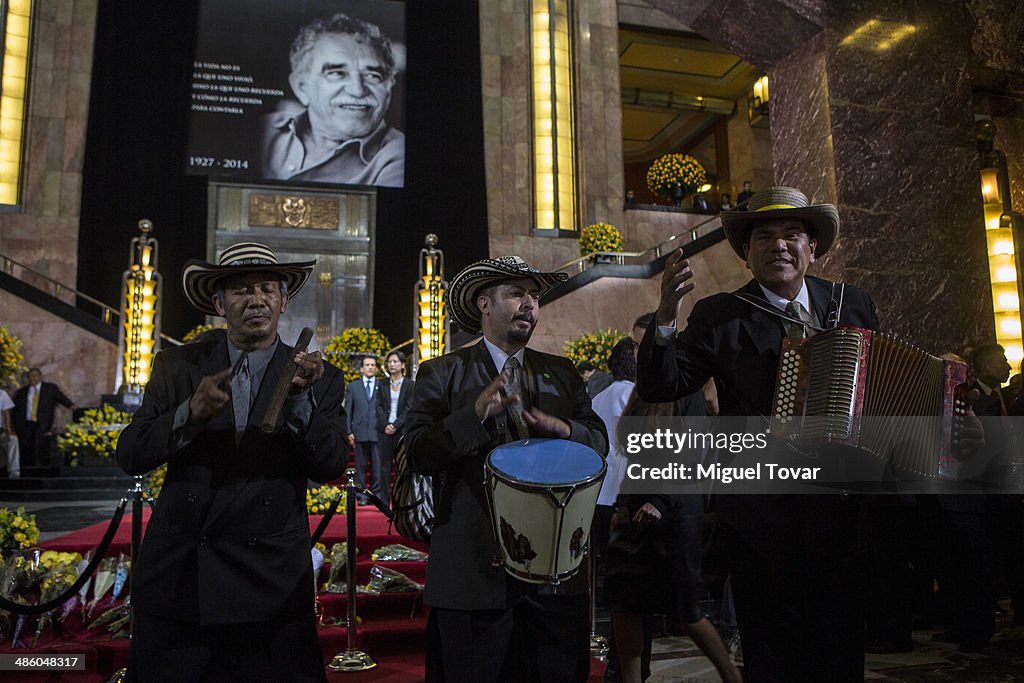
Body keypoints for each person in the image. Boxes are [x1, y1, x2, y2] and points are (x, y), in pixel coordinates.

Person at [636, 186, 880, 681]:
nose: (779, 246)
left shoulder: (851, 304)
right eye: (763, 237)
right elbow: (663, 382)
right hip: (763, 524)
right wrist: (665, 318)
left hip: (844, 520)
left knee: (840, 655)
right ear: (746, 256)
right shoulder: (720, 315)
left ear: (813, 247)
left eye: (792, 234)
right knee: (775, 659)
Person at [116, 241, 347, 682]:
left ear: (283, 301)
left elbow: (331, 464)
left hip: (272, 586)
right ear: (219, 304)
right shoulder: (177, 367)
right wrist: (188, 415)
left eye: (267, 289)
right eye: (241, 291)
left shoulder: (320, 376)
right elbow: (131, 454)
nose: (256, 300)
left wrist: (299, 402)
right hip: (184, 583)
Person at [404, 255, 608, 682]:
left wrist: (563, 429)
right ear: (484, 304)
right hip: (474, 577)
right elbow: (418, 452)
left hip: (555, 578)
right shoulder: (442, 372)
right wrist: (473, 414)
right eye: (517, 293)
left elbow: (599, 442)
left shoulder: (563, 373)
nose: (530, 303)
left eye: (534, 295)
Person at [607, 394, 741, 683]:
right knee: (624, 600)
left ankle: (730, 674)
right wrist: (624, 505)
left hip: (676, 504)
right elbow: (632, 449)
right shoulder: (644, 391)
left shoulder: (687, 393)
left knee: (685, 607)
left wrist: (661, 500)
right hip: (638, 500)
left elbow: (690, 457)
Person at [262, 13, 404, 187]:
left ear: (389, 87)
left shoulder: (399, 157)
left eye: (372, 76)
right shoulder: (264, 129)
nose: (357, 90)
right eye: (336, 73)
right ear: (301, 87)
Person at [13, 367, 74, 466]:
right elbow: (15, 409)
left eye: (35, 376)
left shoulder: (50, 388)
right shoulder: (22, 392)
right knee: (25, 446)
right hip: (26, 423)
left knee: (39, 444)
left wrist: (72, 406)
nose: (33, 379)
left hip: (42, 422)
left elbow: (61, 398)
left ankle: (39, 467)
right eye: (30, 377)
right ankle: (27, 468)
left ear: (40, 376)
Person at [346, 355, 383, 505]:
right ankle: (361, 496)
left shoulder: (382, 385)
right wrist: (348, 431)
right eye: (367, 365)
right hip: (359, 431)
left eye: (373, 365)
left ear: (376, 368)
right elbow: (348, 411)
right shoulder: (353, 387)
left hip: (377, 431)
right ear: (361, 368)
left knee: (377, 466)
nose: (370, 367)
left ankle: (376, 496)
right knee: (360, 467)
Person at [0, 387, 20, 477]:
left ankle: (14, 470)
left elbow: (6, 412)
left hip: (0, 430)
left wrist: (8, 429)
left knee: (12, 439)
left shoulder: (1, 393)